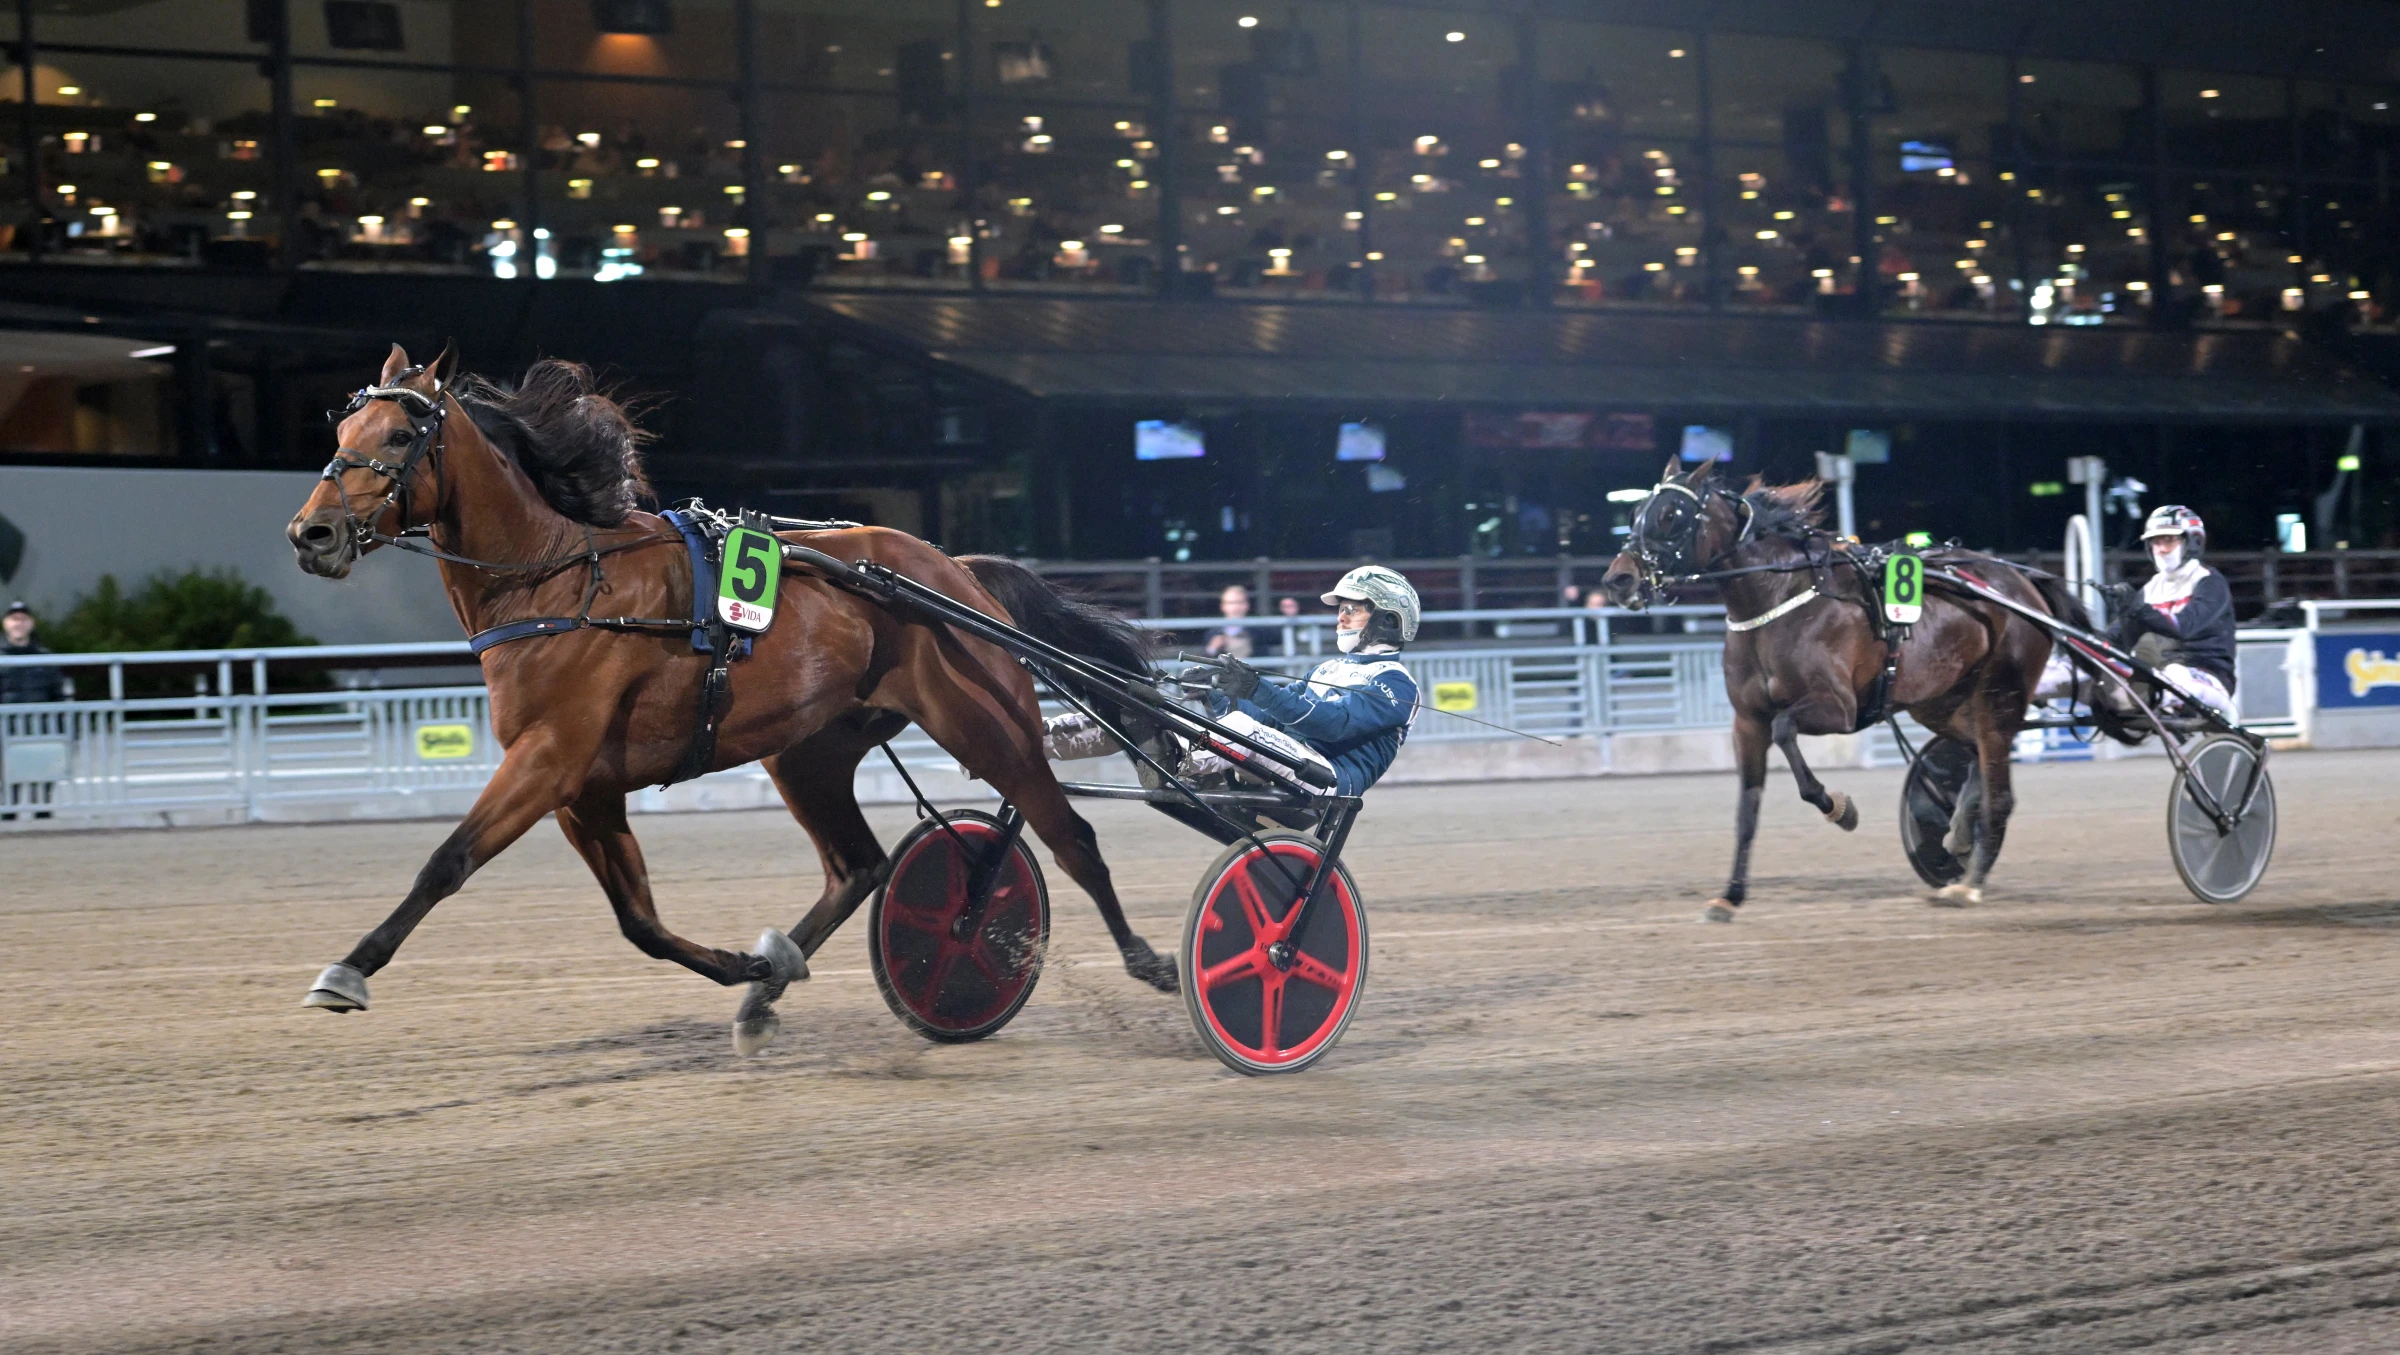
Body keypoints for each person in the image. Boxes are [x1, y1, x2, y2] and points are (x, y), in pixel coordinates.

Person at [1183, 565, 1422, 797]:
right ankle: (1170, 752)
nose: (1341, 618)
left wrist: (1256, 688)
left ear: (1387, 621)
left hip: (1332, 776)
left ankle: (1181, 764)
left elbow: (1334, 724)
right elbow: (1269, 718)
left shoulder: (1397, 683)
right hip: (1299, 762)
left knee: (1246, 731)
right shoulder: (1326, 669)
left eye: (1353, 610)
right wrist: (1215, 692)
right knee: (1184, 720)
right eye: (1341, 609)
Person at [2102, 505, 2238, 720]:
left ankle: (2147, 699)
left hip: (2208, 676)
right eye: (2156, 542)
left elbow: (2182, 627)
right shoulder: (2152, 587)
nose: (2162, 549)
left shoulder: (2209, 581)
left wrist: (2137, 609)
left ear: (2191, 542)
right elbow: (2112, 641)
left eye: (2169, 540)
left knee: (2174, 674)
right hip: (2161, 675)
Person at [2, 602, 64, 706]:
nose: (19, 623)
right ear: (5, 623)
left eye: (23, 619)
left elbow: (58, 695)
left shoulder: (46, 658)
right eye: (14, 619)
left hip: (41, 720)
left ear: (32, 623)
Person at [1203, 584, 1255, 660]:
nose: (1235, 607)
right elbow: (1204, 660)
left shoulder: (1259, 629)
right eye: (1230, 603)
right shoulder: (1213, 632)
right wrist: (1212, 648)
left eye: (1239, 602)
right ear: (1223, 606)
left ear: (1247, 605)